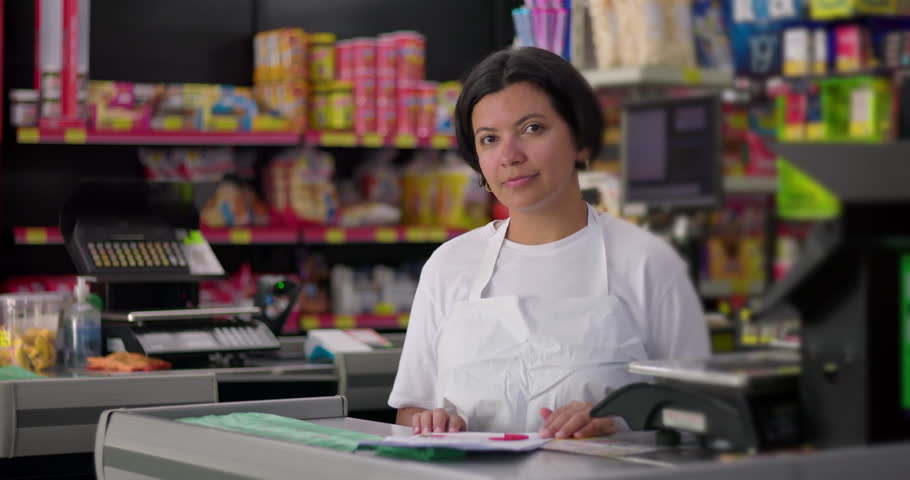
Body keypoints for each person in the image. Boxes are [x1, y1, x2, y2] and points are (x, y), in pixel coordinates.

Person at [388, 46, 710, 440]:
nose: (509, 155)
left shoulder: (647, 262)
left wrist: (619, 424)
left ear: (580, 140)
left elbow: (701, 416)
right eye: (489, 139)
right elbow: (412, 412)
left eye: (532, 129)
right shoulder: (449, 265)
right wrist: (430, 423)